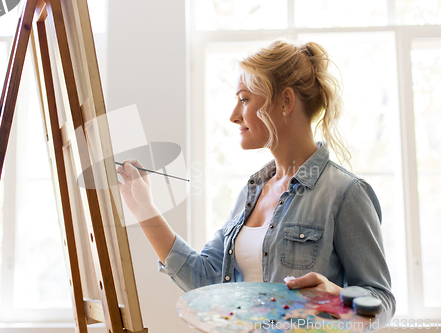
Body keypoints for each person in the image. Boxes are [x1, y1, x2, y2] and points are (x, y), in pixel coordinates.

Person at [116, 38, 396, 325]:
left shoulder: (345, 193)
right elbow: (206, 280)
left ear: (285, 101)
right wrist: (144, 210)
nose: (234, 116)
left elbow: (381, 301)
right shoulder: (251, 192)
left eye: (244, 99)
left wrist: (336, 298)